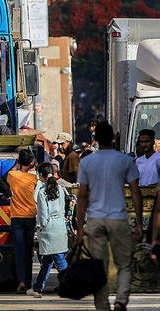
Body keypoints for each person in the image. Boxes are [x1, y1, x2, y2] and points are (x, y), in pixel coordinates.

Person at [76, 122, 143, 311]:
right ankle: (121, 300)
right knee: (125, 264)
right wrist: (138, 223)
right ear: (113, 139)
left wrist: (80, 228)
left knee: (99, 267)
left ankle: (103, 307)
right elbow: (136, 192)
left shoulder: (87, 162)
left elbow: (82, 196)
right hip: (118, 219)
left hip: (95, 220)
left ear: (95, 138)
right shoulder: (124, 161)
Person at [26, 162, 68, 298]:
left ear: (42, 176)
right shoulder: (61, 189)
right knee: (48, 261)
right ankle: (38, 288)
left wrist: (40, 226)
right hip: (60, 227)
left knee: (59, 261)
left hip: (49, 228)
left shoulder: (42, 192)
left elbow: (43, 214)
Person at [6, 149, 38, 292]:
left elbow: (10, 172)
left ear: (20, 161)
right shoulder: (34, 179)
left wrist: (16, 164)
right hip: (30, 217)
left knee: (19, 251)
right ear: (31, 163)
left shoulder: (12, 175)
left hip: (17, 218)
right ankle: (28, 282)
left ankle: (21, 283)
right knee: (28, 251)